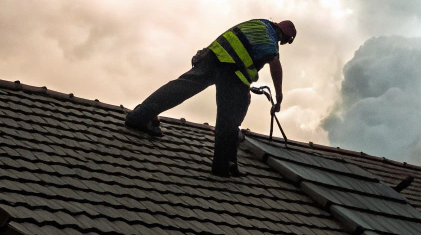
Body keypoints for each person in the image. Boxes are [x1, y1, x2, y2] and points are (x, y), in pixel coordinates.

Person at [124, 18, 296, 176]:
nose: (282, 44)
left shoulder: (258, 23)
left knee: (181, 88)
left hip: (212, 57)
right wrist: (279, 95)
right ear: (284, 36)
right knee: (229, 119)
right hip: (233, 72)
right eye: (285, 41)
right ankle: (223, 166)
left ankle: (140, 116)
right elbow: (275, 63)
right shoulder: (271, 39)